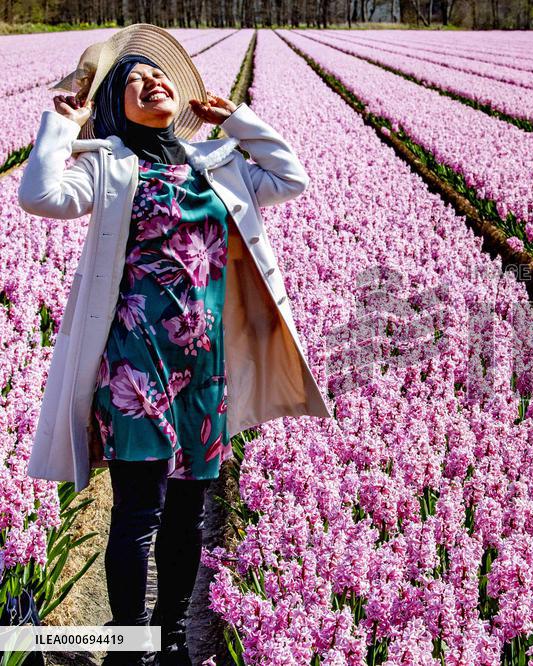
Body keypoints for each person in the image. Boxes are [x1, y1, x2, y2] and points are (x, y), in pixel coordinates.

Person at [18, 23, 333, 666]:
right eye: (134, 80)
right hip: (134, 366)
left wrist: (237, 120)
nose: (152, 82)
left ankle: (172, 638)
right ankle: (128, 645)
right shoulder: (109, 166)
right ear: (116, 107)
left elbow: (291, 177)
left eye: (158, 74)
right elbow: (40, 195)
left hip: (205, 368)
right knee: (140, 510)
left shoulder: (216, 165)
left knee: (188, 512)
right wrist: (64, 127)